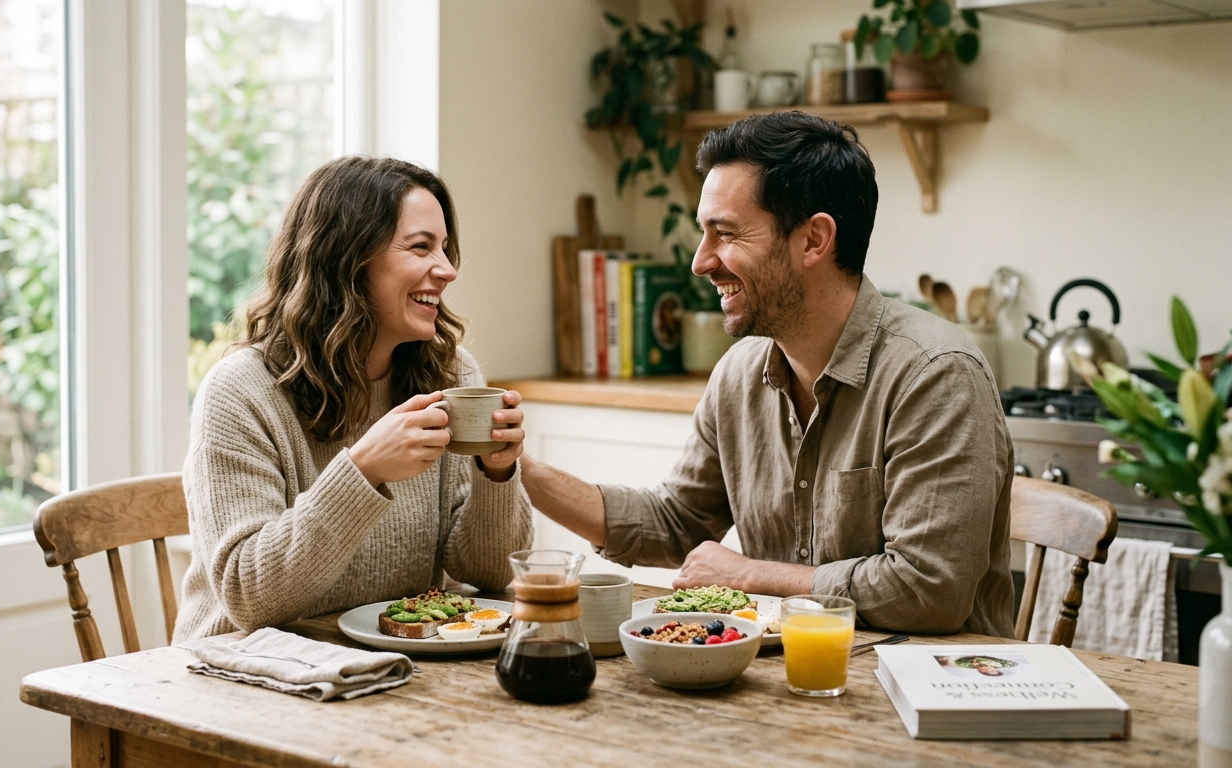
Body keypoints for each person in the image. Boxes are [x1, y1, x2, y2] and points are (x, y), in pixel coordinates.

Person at [522, 112, 1014, 636]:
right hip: (778, 682)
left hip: (928, 690)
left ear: (813, 240)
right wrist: (515, 469)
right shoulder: (738, 374)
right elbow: (675, 524)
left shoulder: (935, 376)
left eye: (726, 234)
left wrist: (749, 574)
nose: (700, 262)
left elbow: (927, 591)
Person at [174, 156, 532, 642]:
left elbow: (489, 575)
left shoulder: (450, 375)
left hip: (386, 673)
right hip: (243, 678)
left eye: (445, 249)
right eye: (421, 247)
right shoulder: (241, 392)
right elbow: (249, 598)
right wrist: (363, 470)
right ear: (348, 258)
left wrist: (497, 473)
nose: (447, 270)